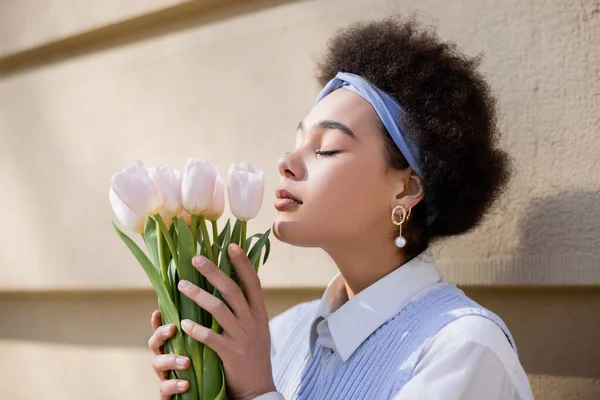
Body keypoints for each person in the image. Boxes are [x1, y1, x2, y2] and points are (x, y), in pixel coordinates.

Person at [147, 15, 534, 400]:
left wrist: (257, 392)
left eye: (326, 147)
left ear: (407, 187)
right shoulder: (278, 338)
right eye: (296, 141)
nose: (287, 162)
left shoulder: (462, 349)